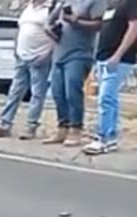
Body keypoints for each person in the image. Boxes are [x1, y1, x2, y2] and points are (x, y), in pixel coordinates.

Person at [0, 0, 54, 139]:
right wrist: (16, 48)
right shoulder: (27, 8)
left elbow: (56, 33)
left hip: (39, 56)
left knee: (37, 93)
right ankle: (4, 124)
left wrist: (47, 54)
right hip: (22, 55)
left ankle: (31, 126)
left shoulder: (50, 9)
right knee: (15, 91)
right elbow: (20, 29)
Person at [43, 0, 107, 146]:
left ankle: (76, 129)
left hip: (79, 53)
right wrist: (49, 28)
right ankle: (62, 128)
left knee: (72, 92)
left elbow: (99, 24)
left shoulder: (95, 2)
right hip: (59, 52)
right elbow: (50, 19)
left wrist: (76, 21)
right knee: (57, 92)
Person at [84, 0, 137, 153]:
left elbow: (134, 28)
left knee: (106, 98)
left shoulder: (130, 3)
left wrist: (118, 55)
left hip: (119, 59)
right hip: (103, 58)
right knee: (109, 99)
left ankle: (103, 137)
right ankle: (110, 137)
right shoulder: (110, 7)